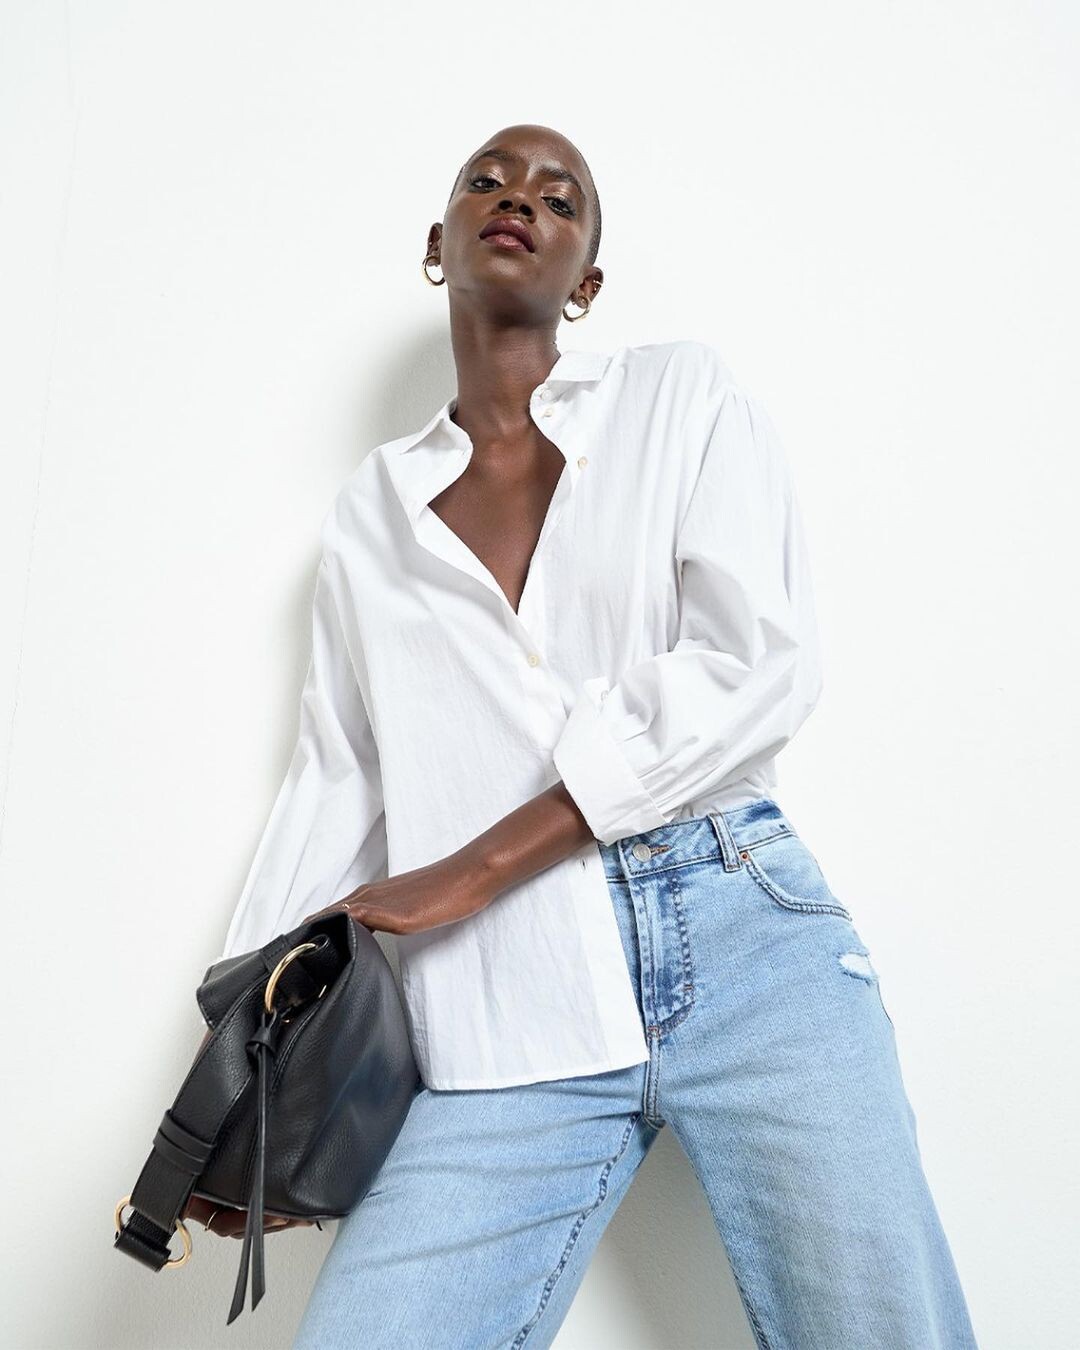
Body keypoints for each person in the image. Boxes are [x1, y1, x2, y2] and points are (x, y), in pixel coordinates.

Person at [187, 124, 979, 1349]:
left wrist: (473, 866)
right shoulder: (370, 515)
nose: (521, 200)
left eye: (561, 199)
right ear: (439, 245)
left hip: (747, 942)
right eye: (488, 181)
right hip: (503, 1000)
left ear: (587, 281)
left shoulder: (680, 399)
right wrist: (252, 1072)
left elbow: (755, 663)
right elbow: (340, 775)